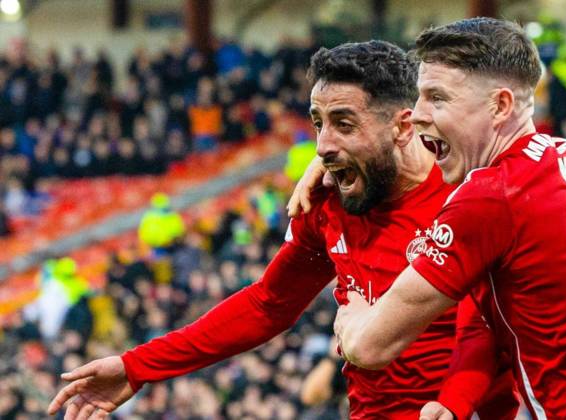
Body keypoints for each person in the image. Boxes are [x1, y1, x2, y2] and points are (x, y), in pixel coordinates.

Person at [48, 41, 518, 420]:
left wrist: (455, 404)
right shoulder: (328, 202)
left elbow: (488, 331)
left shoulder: (469, 196)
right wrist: (137, 366)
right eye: (318, 124)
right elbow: (267, 304)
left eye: (343, 123)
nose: (322, 145)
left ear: (402, 125)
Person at [331, 18, 566, 419]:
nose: (417, 114)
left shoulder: (493, 196)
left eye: (437, 98)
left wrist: (352, 313)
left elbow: (370, 346)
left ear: (500, 105)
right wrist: (455, 400)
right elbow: (491, 316)